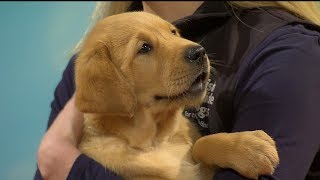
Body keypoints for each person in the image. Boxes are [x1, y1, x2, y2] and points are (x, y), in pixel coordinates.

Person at [35, 1, 320, 180]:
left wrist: (70, 168)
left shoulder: (287, 52)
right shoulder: (92, 62)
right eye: (145, 48)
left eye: (173, 33)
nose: (188, 48)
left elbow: (58, 165)